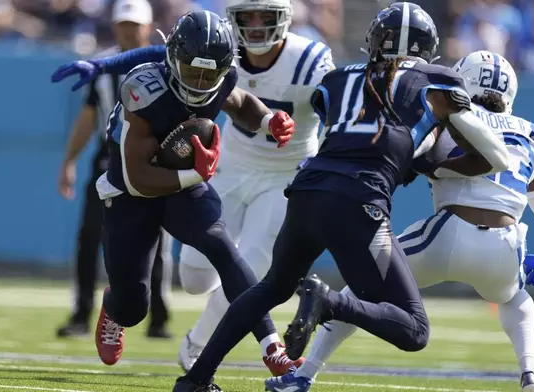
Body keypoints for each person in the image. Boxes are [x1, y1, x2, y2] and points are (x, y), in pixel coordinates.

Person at [172, 3, 511, 391]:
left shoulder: (340, 79)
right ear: (427, 48)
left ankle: (195, 380)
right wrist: (440, 154)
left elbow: (362, 131)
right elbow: (494, 157)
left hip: (307, 192)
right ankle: (329, 302)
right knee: (414, 329)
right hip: (359, 203)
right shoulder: (436, 82)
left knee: (270, 288)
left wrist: (412, 154)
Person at [51, 0, 334, 372]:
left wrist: (267, 120)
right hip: (132, 193)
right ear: (172, 59)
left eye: (209, 74)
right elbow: (138, 178)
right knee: (135, 305)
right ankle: (115, 307)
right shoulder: (143, 90)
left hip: (185, 184)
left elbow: (239, 101)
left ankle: (271, 346)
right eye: (192, 70)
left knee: (226, 252)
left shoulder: (224, 74)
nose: (200, 81)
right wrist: (196, 174)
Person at [270, 51, 534, 392]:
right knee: (516, 299)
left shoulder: (450, 116)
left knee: (362, 287)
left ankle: (303, 374)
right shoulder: (530, 139)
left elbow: (402, 153)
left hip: (446, 235)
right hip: (505, 248)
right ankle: (530, 375)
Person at [54, 0, 173, 340]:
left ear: (147, 27)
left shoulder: (164, 63)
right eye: (123, 23)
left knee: (157, 239)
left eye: (134, 24)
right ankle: (81, 312)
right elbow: (88, 118)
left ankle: (159, 315)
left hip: (154, 159)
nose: (128, 29)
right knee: (90, 236)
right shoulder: (102, 67)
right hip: (110, 159)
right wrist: (69, 160)